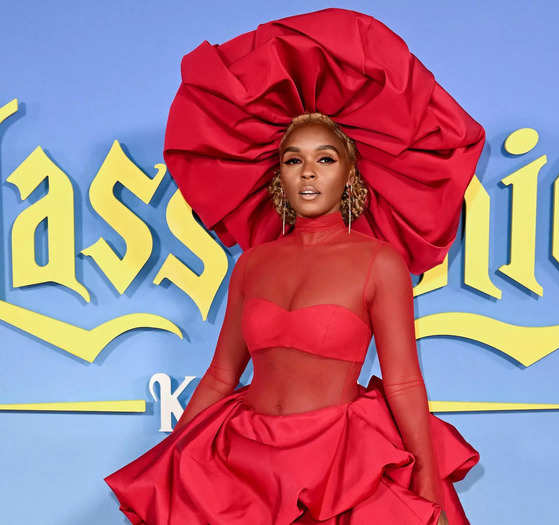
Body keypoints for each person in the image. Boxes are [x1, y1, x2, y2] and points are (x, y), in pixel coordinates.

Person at [105, 8, 485, 525]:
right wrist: (171, 460)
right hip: (244, 465)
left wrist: (425, 481)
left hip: (341, 466)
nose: (308, 173)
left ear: (351, 173)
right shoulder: (253, 263)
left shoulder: (379, 263)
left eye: (325, 158)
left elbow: (402, 382)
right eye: (292, 159)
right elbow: (220, 376)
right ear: (276, 174)